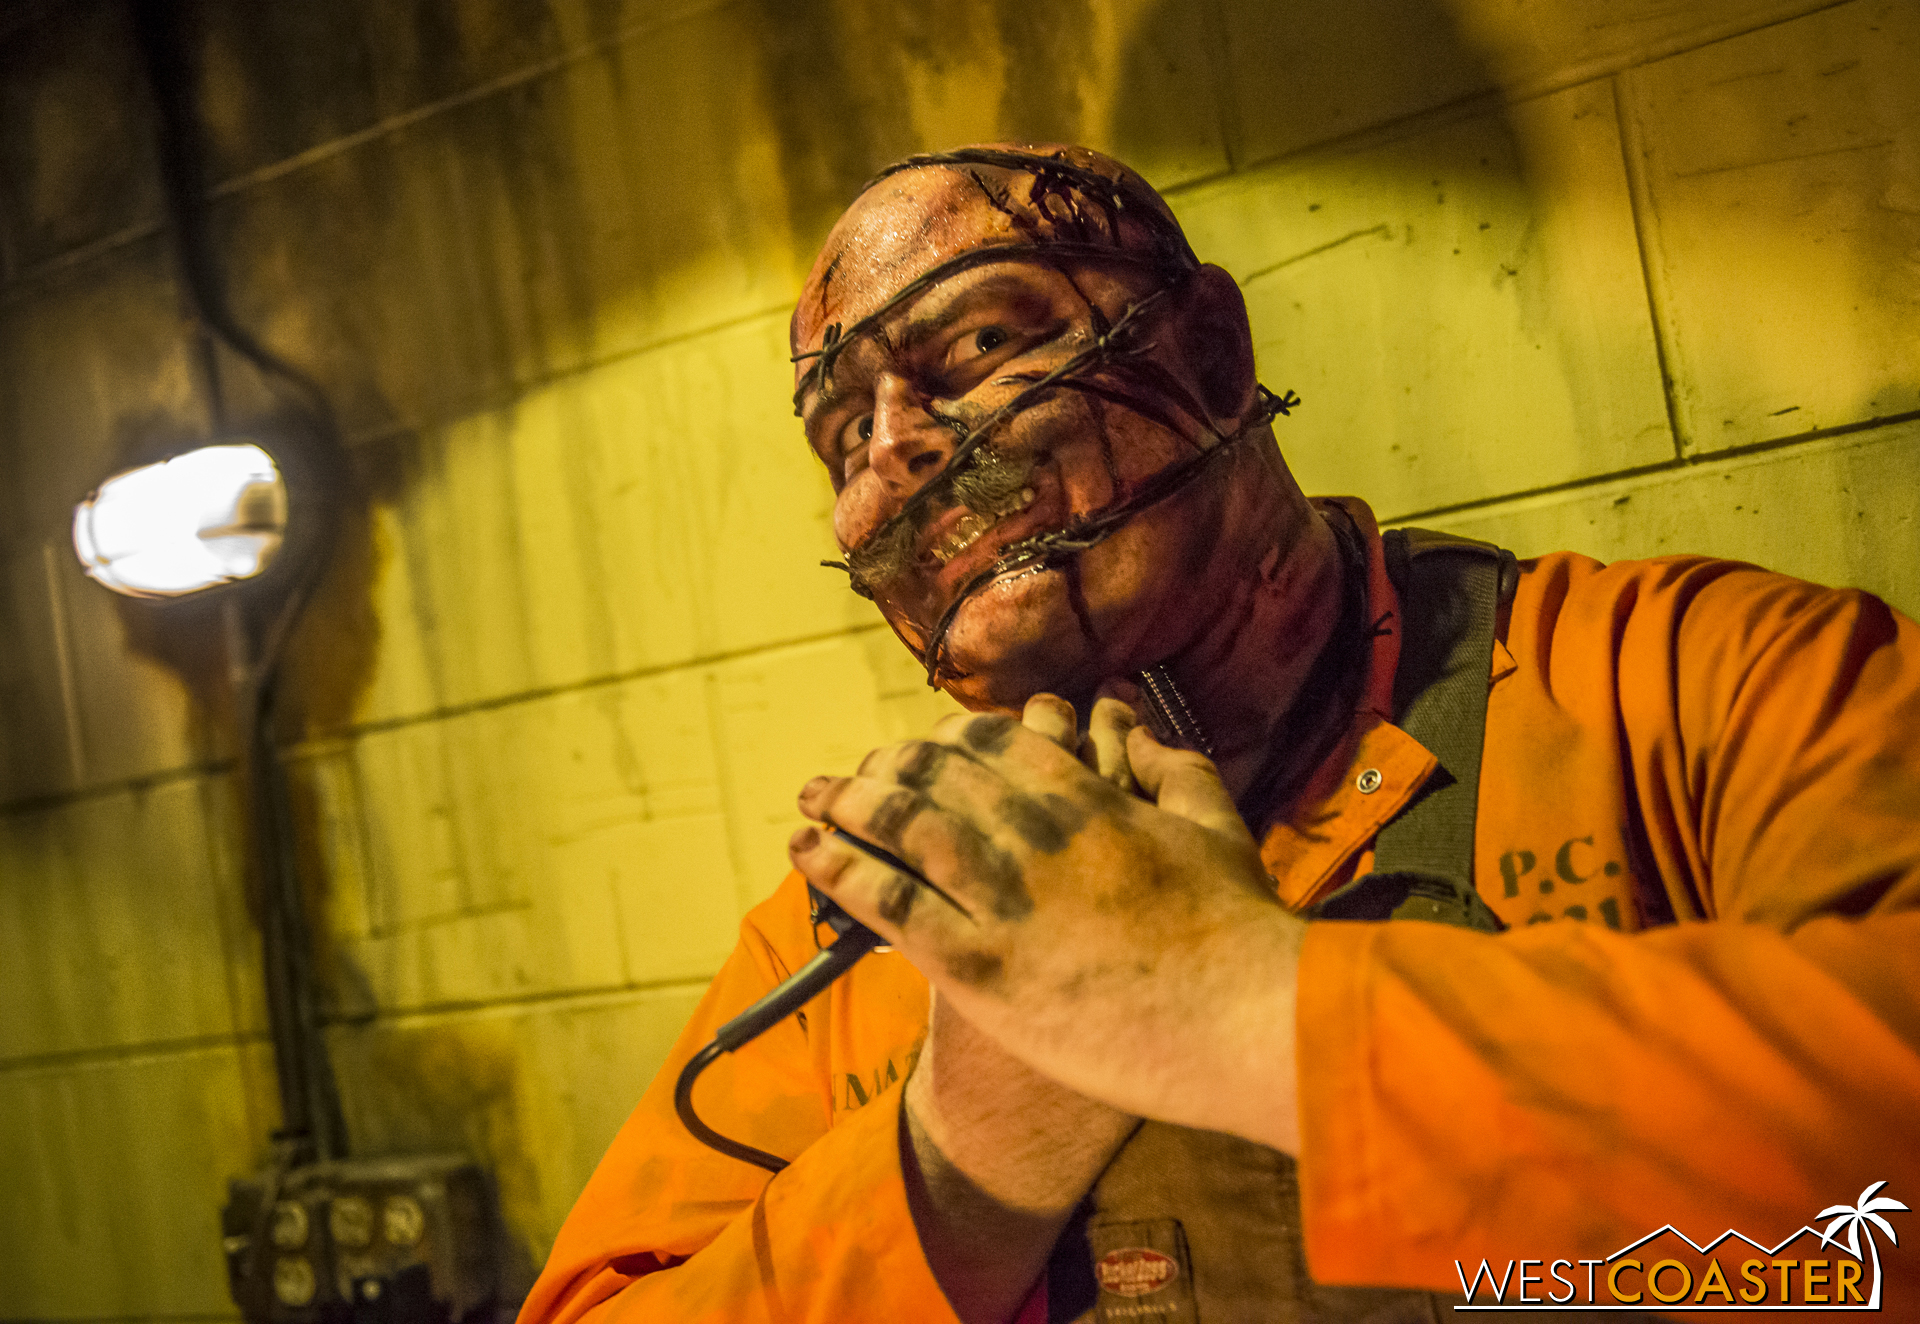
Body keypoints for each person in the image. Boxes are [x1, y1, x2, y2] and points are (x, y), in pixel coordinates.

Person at [516, 145, 1920, 1324]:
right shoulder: (870, 923)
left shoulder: (1682, 689)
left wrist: (1238, 1011)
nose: (895, 449)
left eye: (980, 344)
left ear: (1211, 353)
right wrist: (958, 1155)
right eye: (840, 439)